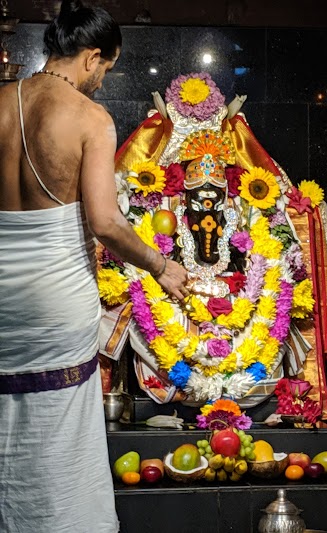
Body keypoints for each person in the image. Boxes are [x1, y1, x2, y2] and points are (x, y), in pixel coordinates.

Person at [0, 0, 188, 531]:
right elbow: (105, 222)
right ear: (91, 57)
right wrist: (160, 266)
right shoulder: (89, 118)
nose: (103, 81)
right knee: (58, 430)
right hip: (54, 301)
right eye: (106, 68)